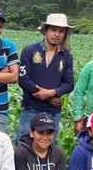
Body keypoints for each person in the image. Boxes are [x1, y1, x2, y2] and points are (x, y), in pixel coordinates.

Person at [17, 13, 75, 142]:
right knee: (24, 146)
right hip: (30, 110)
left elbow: (69, 84)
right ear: (46, 31)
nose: (57, 34)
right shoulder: (30, 50)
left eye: (61, 31)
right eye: (53, 30)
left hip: (53, 112)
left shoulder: (66, 56)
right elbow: (23, 79)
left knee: (47, 149)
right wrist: (46, 97)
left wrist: (51, 93)